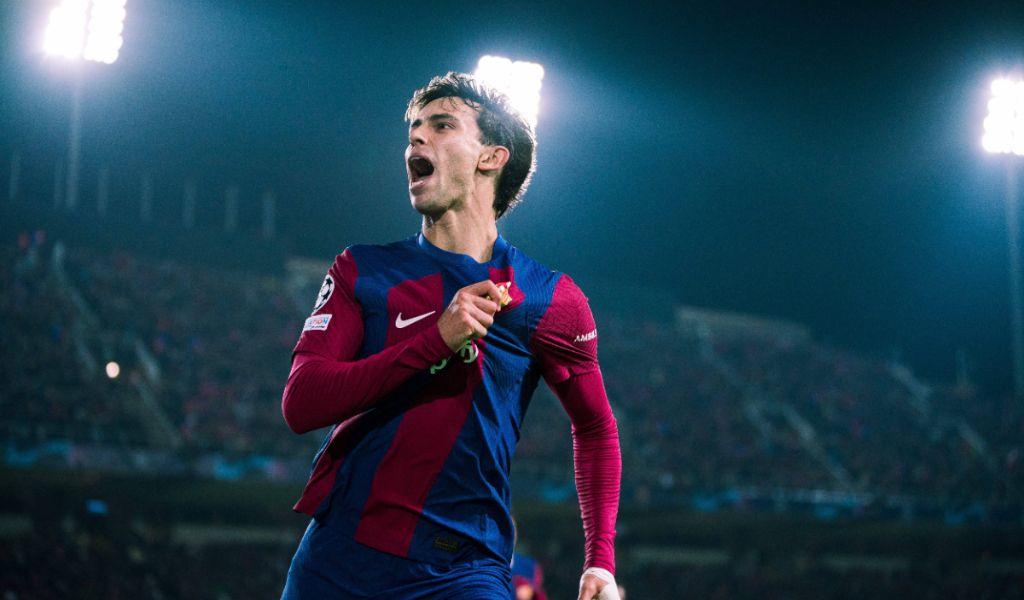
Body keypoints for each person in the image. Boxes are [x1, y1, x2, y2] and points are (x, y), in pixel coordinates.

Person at [279, 72, 621, 600]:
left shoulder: (549, 297)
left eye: (441, 126)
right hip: (337, 559)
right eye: (414, 129)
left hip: (462, 571)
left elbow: (596, 427)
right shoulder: (362, 269)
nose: (416, 138)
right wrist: (435, 341)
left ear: (491, 157)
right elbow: (301, 405)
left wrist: (600, 560)